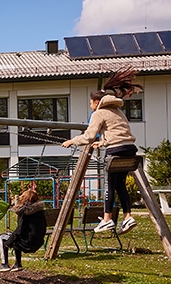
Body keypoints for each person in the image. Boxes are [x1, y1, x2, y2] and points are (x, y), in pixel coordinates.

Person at [62, 68, 144, 235]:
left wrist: (72, 141)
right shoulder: (118, 112)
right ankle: (128, 216)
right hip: (130, 149)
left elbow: (89, 136)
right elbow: (119, 133)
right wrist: (103, 142)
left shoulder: (98, 113)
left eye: (91, 103)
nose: (91, 106)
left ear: (96, 102)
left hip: (115, 151)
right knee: (120, 185)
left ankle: (107, 219)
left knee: (109, 185)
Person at [0, 182, 46, 272]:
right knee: (15, 237)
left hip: (27, 243)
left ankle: (4, 264)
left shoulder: (25, 212)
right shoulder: (40, 212)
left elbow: (19, 230)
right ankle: (17, 264)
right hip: (38, 242)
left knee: (3, 237)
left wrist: (8, 243)